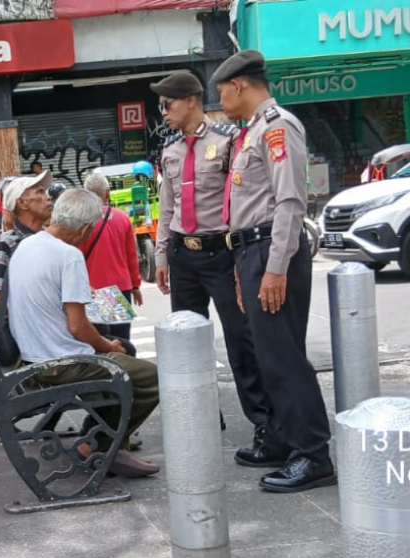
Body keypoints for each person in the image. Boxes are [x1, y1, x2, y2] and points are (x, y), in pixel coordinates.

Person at [212, 50, 335, 493]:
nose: (220, 100)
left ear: (239, 85)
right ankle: (284, 439)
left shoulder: (278, 127)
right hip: (253, 251)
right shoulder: (252, 132)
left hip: (271, 250)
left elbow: (290, 202)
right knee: (268, 355)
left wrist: (275, 269)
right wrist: (243, 268)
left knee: (283, 357)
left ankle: (313, 455)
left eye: (222, 91)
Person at [7, 188, 160, 477]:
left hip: (34, 356)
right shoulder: (69, 255)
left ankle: (104, 438)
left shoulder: (28, 244)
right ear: (86, 229)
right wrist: (106, 347)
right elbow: (77, 326)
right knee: (151, 376)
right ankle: (102, 446)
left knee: (125, 353)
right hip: (59, 364)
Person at [151, 70, 271, 438]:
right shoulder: (170, 149)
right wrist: (160, 256)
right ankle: (201, 417)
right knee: (188, 339)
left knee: (241, 338)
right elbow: (167, 207)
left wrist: (241, 256)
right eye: (160, 106)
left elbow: (241, 199)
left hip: (222, 253)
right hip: (182, 255)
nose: (163, 112)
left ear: (190, 100)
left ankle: (264, 421)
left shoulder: (228, 141)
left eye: (167, 104)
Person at [80, 170, 142, 340]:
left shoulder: (81, 221)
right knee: (121, 341)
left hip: (93, 289)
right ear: (107, 193)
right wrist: (136, 286)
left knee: (100, 342)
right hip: (120, 287)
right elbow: (132, 256)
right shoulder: (123, 218)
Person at [0, 171, 53, 308]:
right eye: (40, 192)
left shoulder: (50, 239)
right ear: (22, 203)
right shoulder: (7, 242)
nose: (48, 197)